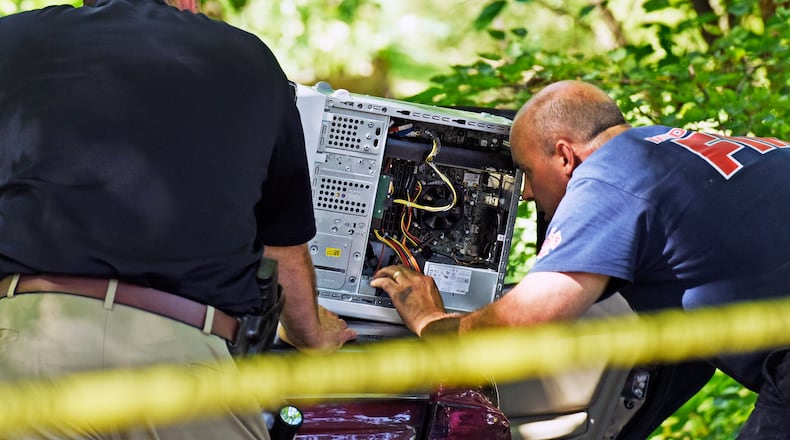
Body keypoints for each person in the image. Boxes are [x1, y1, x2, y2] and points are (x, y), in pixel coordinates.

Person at [0, 0, 355, 438]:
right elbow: (282, 249)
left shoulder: (12, 40)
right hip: (184, 360)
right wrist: (312, 336)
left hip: (31, 347)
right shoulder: (251, 61)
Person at [371, 80, 790, 438]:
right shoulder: (672, 150)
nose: (528, 193)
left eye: (528, 173)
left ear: (565, 157)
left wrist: (429, 321)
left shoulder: (611, 177)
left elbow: (526, 320)